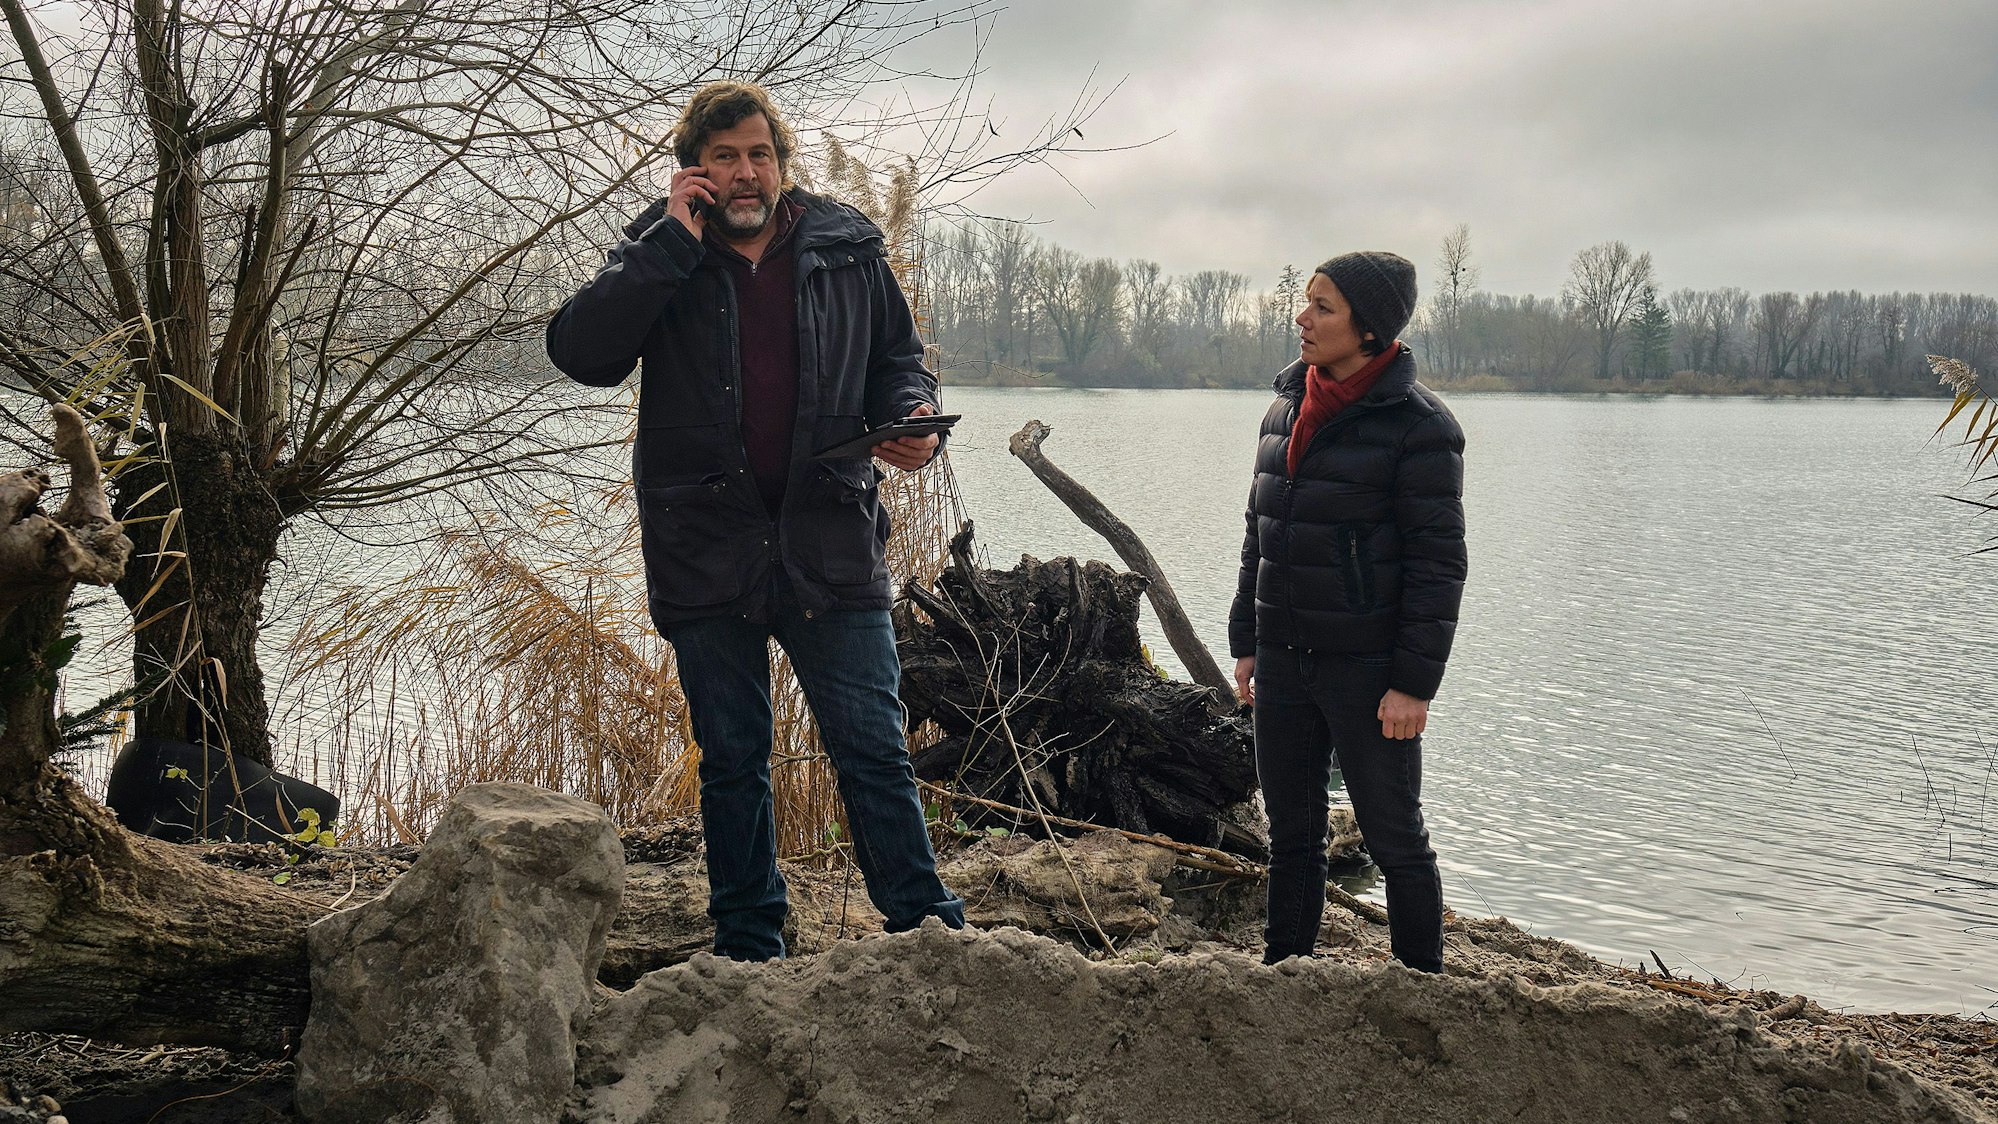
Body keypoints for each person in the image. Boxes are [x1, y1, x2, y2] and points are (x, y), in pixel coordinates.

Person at [545, 81, 964, 960]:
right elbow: (583, 356)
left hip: (830, 541)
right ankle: (748, 942)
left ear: (781, 162)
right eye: (725, 157)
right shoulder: (662, 254)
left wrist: (912, 412)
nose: (746, 173)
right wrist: (668, 242)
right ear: (695, 170)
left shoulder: (848, 251)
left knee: (873, 751)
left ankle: (928, 935)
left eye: (759, 154)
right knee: (733, 764)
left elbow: (898, 356)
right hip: (707, 548)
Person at [1227, 251, 1467, 972]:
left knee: (1396, 840)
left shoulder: (1420, 428)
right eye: (1307, 303)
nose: (1303, 319)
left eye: (1323, 307)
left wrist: (1413, 684)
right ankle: (1283, 977)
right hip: (1285, 660)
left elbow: (1438, 566)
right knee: (1292, 837)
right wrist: (1248, 639)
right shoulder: (1285, 407)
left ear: (1369, 329)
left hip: (1369, 672)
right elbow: (1258, 532)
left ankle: (1422, 991)